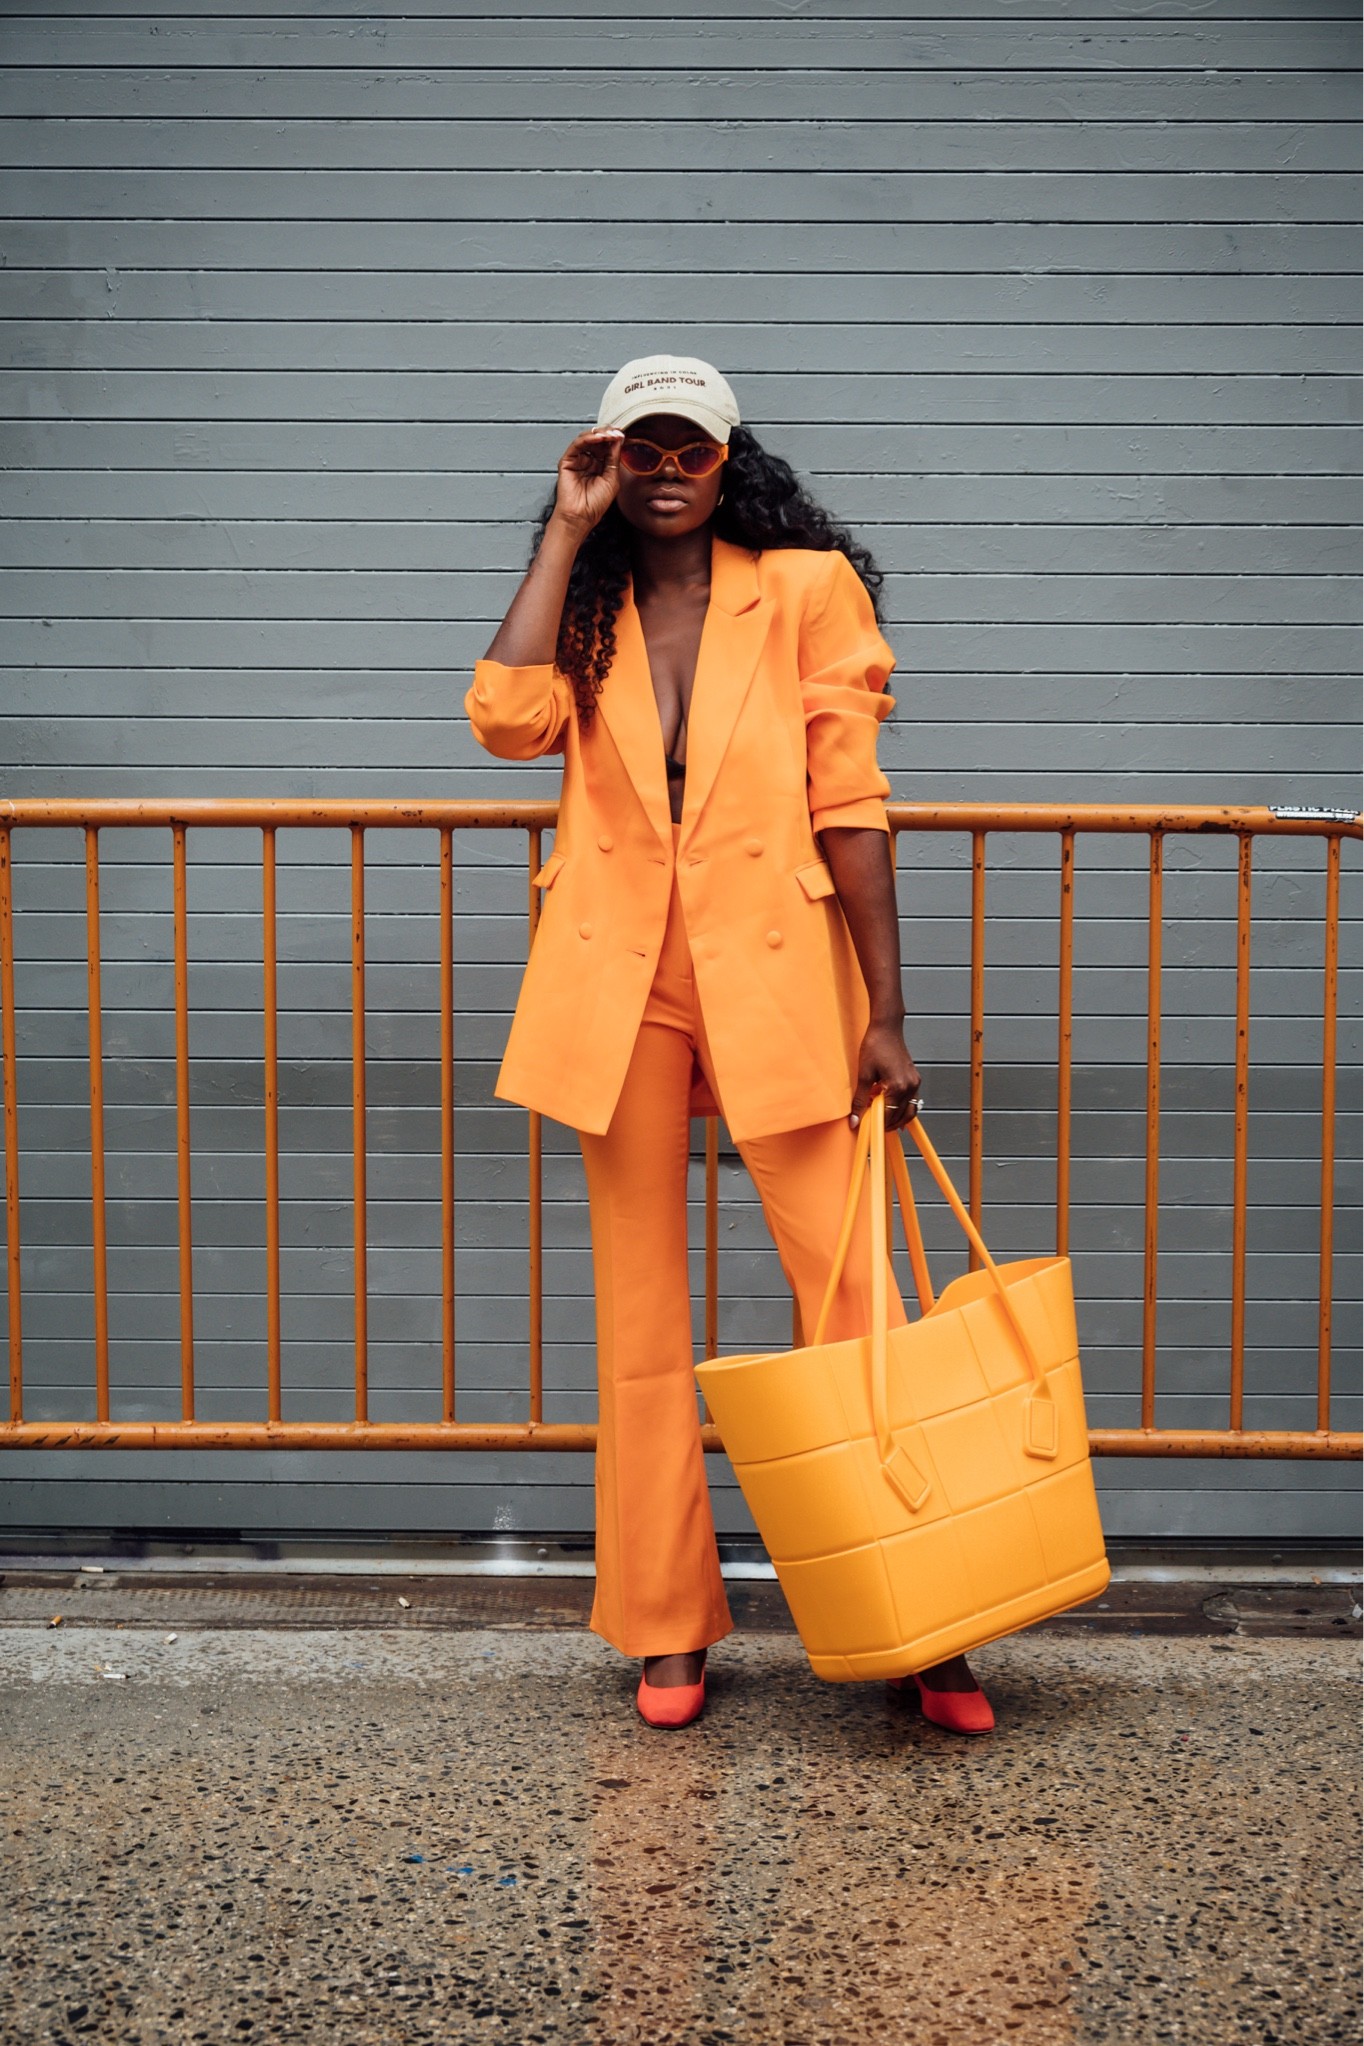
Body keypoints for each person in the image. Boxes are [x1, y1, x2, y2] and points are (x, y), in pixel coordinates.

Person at [466, 355, 993, 1735]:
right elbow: (505, 724)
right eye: (636, 446)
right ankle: (663, 1624)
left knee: (853, 1297)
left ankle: (928, 1618)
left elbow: (854, 798)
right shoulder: (583, 600)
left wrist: (885, 1007)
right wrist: (561, 531)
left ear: (728, 456)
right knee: (640, 1319)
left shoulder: (808, 587)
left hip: (777, 972)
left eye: (685, 446)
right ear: (605, 455)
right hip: (620, 980)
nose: (662, 467)